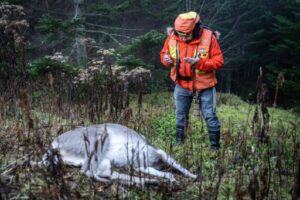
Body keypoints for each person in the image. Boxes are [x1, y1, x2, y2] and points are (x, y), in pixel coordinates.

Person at [160, 11, 224, 150]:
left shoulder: (209, 38)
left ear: (195, 29)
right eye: (180, 34)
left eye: (186, 34)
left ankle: (215, 148)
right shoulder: (172, 36)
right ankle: (179, 143)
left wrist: (199, 63)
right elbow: (164, 54)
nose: (183, 38)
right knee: (180, 116)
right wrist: (167, 61)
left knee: (210, 116)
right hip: (181, 84)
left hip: (205, 85)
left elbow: (219, 62)